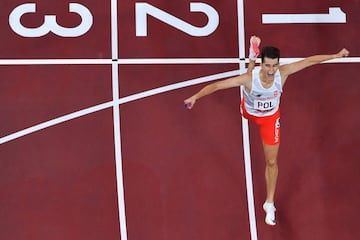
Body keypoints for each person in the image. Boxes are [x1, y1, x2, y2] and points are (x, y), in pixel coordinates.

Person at [184, 36, 349, 226]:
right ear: (262, 65)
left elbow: (309, 61)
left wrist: (335, 56)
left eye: (274, 66)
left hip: (270, 118)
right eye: (268, 66)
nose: (271, 71)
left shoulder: (283, 73)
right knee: (248, 79)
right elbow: (217, 85)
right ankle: (252, 56)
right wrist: (195, 97)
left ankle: (269, 204)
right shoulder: (249, 78)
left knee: (271, 161)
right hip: (248, 111)